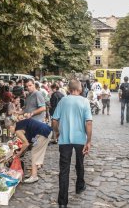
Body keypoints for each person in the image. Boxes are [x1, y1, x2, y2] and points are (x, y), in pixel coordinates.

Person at [52, 80, 92, 208]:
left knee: (64, 170)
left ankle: (63, 201)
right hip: (80, 139)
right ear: (80, 89)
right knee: (80, 163)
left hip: (65, 140)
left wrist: (57, 132)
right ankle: (80, 185)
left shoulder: (63, 100)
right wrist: (89, 141)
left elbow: (54, 119)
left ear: (69, 89)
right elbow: (89, 123)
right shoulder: (84, 101)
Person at [9, 117, 53, 183]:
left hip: (43, 133)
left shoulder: (18, 130)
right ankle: (33, 173)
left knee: (35, 152)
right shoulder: (20, 124)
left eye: (9, 130)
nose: (10, 132)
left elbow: (26, 143)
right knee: (34, 150)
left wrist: (20, 152)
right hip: (45, 131)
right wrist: (21, 151)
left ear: (11, 127)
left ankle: (34, 176)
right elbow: (29, 142)